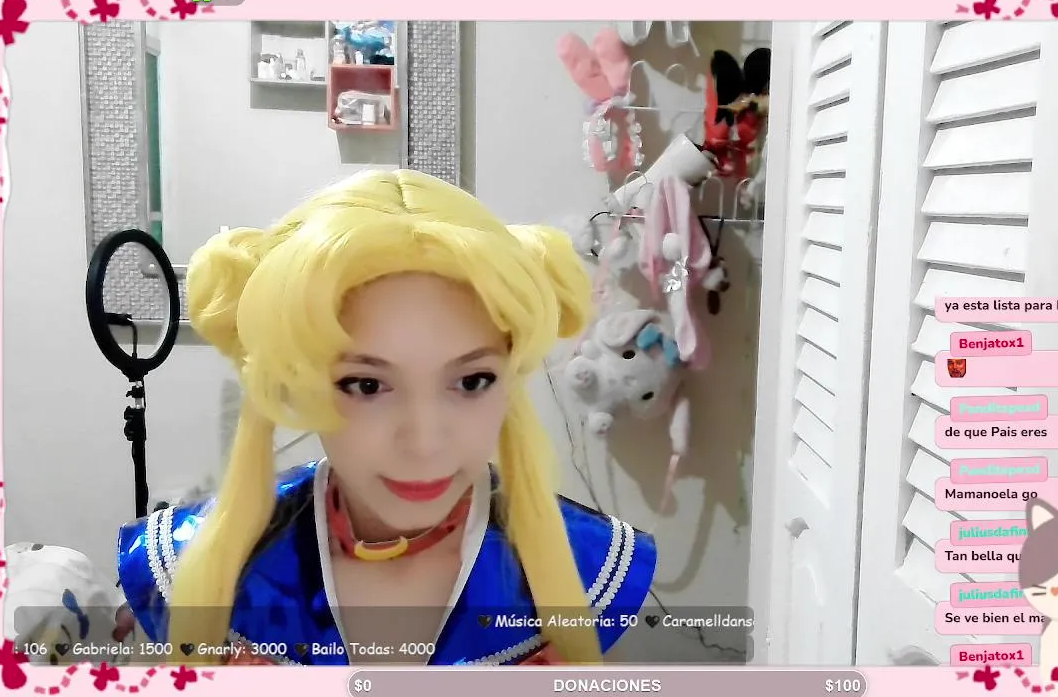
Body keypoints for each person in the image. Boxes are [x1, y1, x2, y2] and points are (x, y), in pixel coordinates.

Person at [116, 169, 657, 666]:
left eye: (472, 381)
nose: (424, 443)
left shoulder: (590, 570)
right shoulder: (191, 571)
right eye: (367, 385)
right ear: (300, 380)